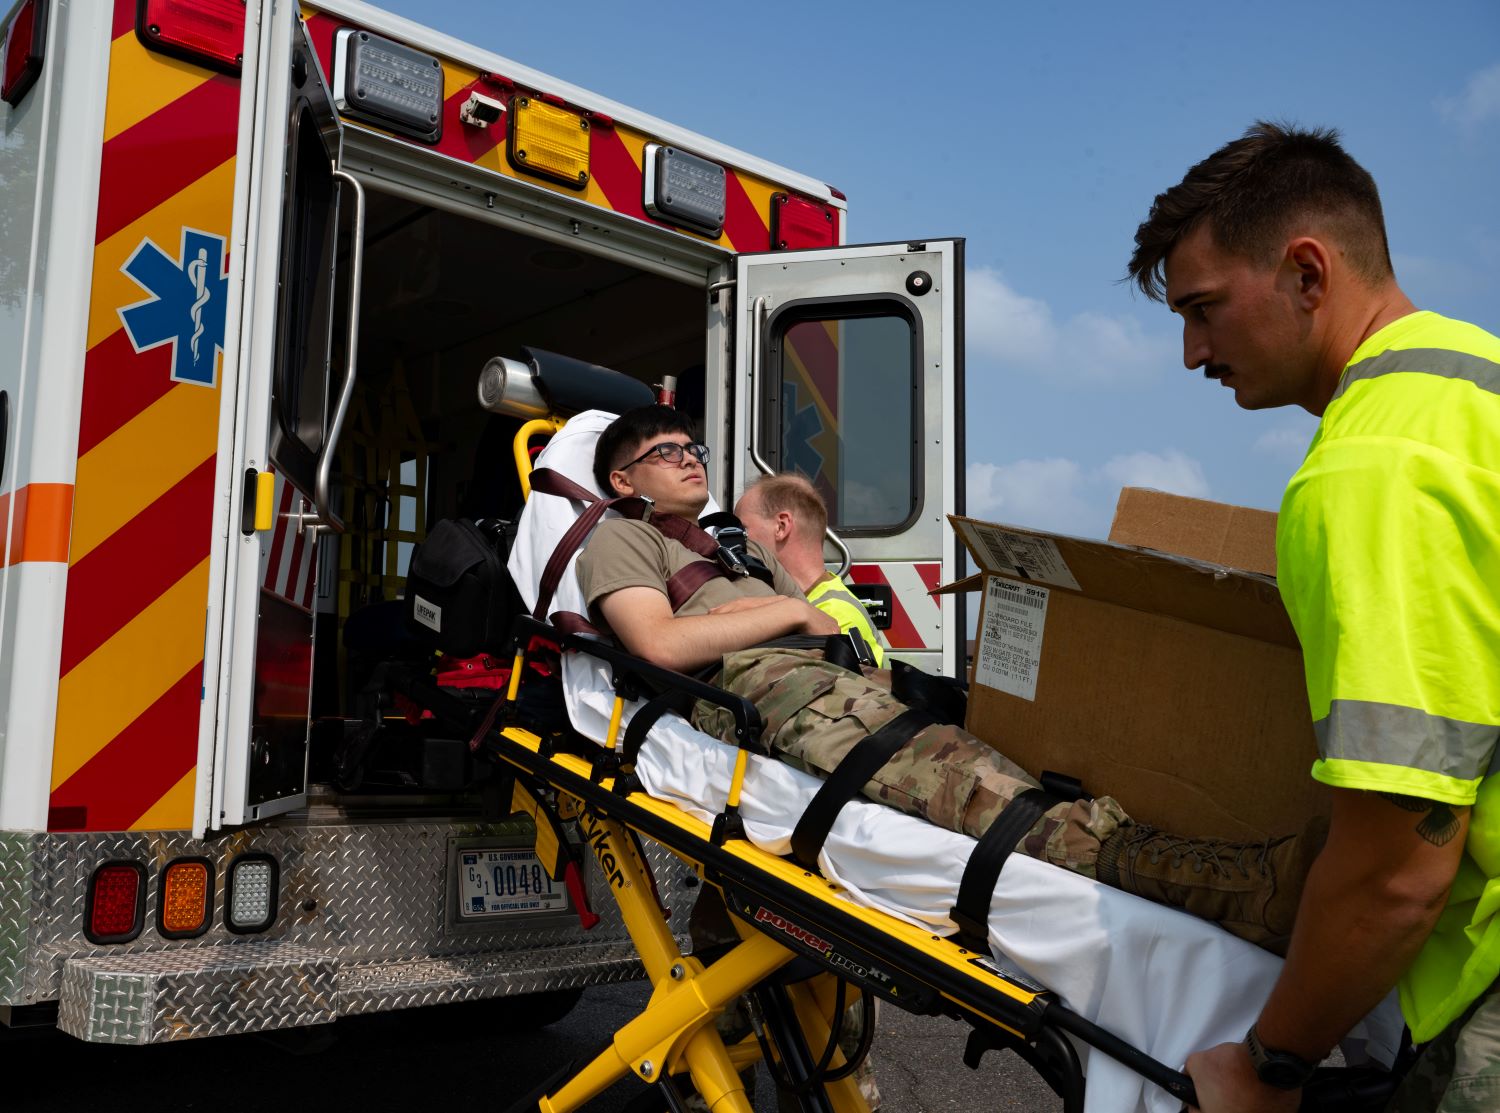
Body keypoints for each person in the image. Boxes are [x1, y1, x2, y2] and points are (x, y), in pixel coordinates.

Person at [574, 404, 1321, 953]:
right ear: (621, 477)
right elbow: (659, 644)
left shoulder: (737, 552)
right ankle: (1235, 885)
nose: (688, 456)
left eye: (691, 444)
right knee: (980, 796)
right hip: (764, 695)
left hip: (832, 684)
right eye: (665, 450)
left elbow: (820, 626)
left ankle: (1215, 861)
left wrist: (804, 622)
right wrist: (787, 614)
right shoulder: (622, 541)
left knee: (1003, 763)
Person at [1126, 121, 1500, 1111]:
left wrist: (1269, 1066)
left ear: (1306, 272)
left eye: (1204, 310)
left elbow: (1400, 862)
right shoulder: (1477, 387)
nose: (1192, 352)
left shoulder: (1371, 469)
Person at [735, 473, 885, 666]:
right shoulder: (816, 603)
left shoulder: (836, 616)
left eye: (742, 529)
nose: (736, 540)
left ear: (781, 526)